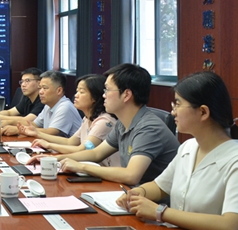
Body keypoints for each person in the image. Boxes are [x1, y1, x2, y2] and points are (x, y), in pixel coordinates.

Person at [117, 72, 238, 230]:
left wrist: (160, 212)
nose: (173, 111)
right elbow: (160, 186)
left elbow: (231, 227)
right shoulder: (189, 147)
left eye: (178, 104)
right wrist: (138, 193)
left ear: (203, 112)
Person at [35, 63, 179, 185]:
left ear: (126, 95)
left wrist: (81, 167)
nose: (103, 95)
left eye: (108, 90)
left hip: (150, 202)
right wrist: (55, 159)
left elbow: (131, 175)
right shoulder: (122, 123)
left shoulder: (148, 128)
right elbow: (96, 153)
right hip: (131, 193)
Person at [21, 74, 116, 161]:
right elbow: (70, 142)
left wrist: (50, 148)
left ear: (95, 97)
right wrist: (39, 135)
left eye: (81, 92)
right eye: (77, 91)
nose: (76, 95)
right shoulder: (87, 119)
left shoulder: (104, 122)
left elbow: (82, 149)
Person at [18, 70, 81, 138]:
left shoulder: (65, 107)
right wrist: (18, 128)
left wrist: (18, 130)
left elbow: (51, 132)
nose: (40, 92)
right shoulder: (48, 105)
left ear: (59, 90)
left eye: (45, 88)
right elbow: (35, 124)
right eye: (40, 88)